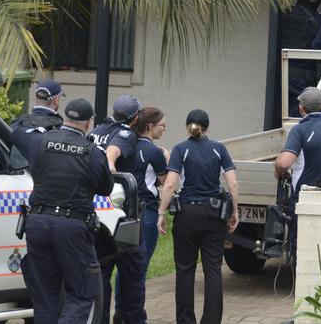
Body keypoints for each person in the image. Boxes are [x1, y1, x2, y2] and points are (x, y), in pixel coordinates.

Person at [12, 98, 114, 323]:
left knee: (45, 298)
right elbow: (106, 188)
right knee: (82, 293)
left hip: (37, 224)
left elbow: (15, 131)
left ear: (65, 117)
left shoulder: (39, 140)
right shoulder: (94, 152)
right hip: (73, 228)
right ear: (89, 123)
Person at [157, 109, 240, 324]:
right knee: (213, 269)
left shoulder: (180, 149)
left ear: (187, 126)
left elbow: (170, 183)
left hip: (187, 214)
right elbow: (232, 183)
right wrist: (235, 210)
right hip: (214, 215)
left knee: (185, 269)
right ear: (207, 127)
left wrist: (162, 212)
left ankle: (185, 320)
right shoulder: (219, 149)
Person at [89, 94, 147, 324]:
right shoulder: (126, 133)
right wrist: (110, 167)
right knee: (132, 272)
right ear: (135, 118)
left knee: (101, 271)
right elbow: (113, 151)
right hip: (121, 217)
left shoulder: (96, 131)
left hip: (97, 215)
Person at [274, 87, 321, 264]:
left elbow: (284, 163)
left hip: (305, 198)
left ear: (301, 109)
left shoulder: (300, 130)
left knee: (302, 248)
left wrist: (277, 168)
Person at [280, 0, 321, 117]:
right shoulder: (317, 20)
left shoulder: (285, 14)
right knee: (298, 114)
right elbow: (318, 46)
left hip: (283, 72)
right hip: (303, 76)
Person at [132, 107, 169, 276]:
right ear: (150, 126)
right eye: (162, 125)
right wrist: (167, 160)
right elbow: (167, 183)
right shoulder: (154, 152)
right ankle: (135, 302)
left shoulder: (128, 145)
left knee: (128, 264)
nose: (164, 128)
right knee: (142, 264)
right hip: (147, 210)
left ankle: (121, 303)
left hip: (128, 209)